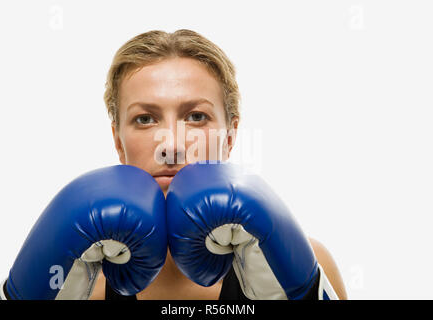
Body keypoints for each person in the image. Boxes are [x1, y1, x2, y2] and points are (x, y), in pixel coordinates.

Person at [88, 29, 347, 300]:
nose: (171, 146)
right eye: (145, 119)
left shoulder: (305, 264)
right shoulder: (81, 283)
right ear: (118, 141)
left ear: (230, 137)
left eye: (196, 116)